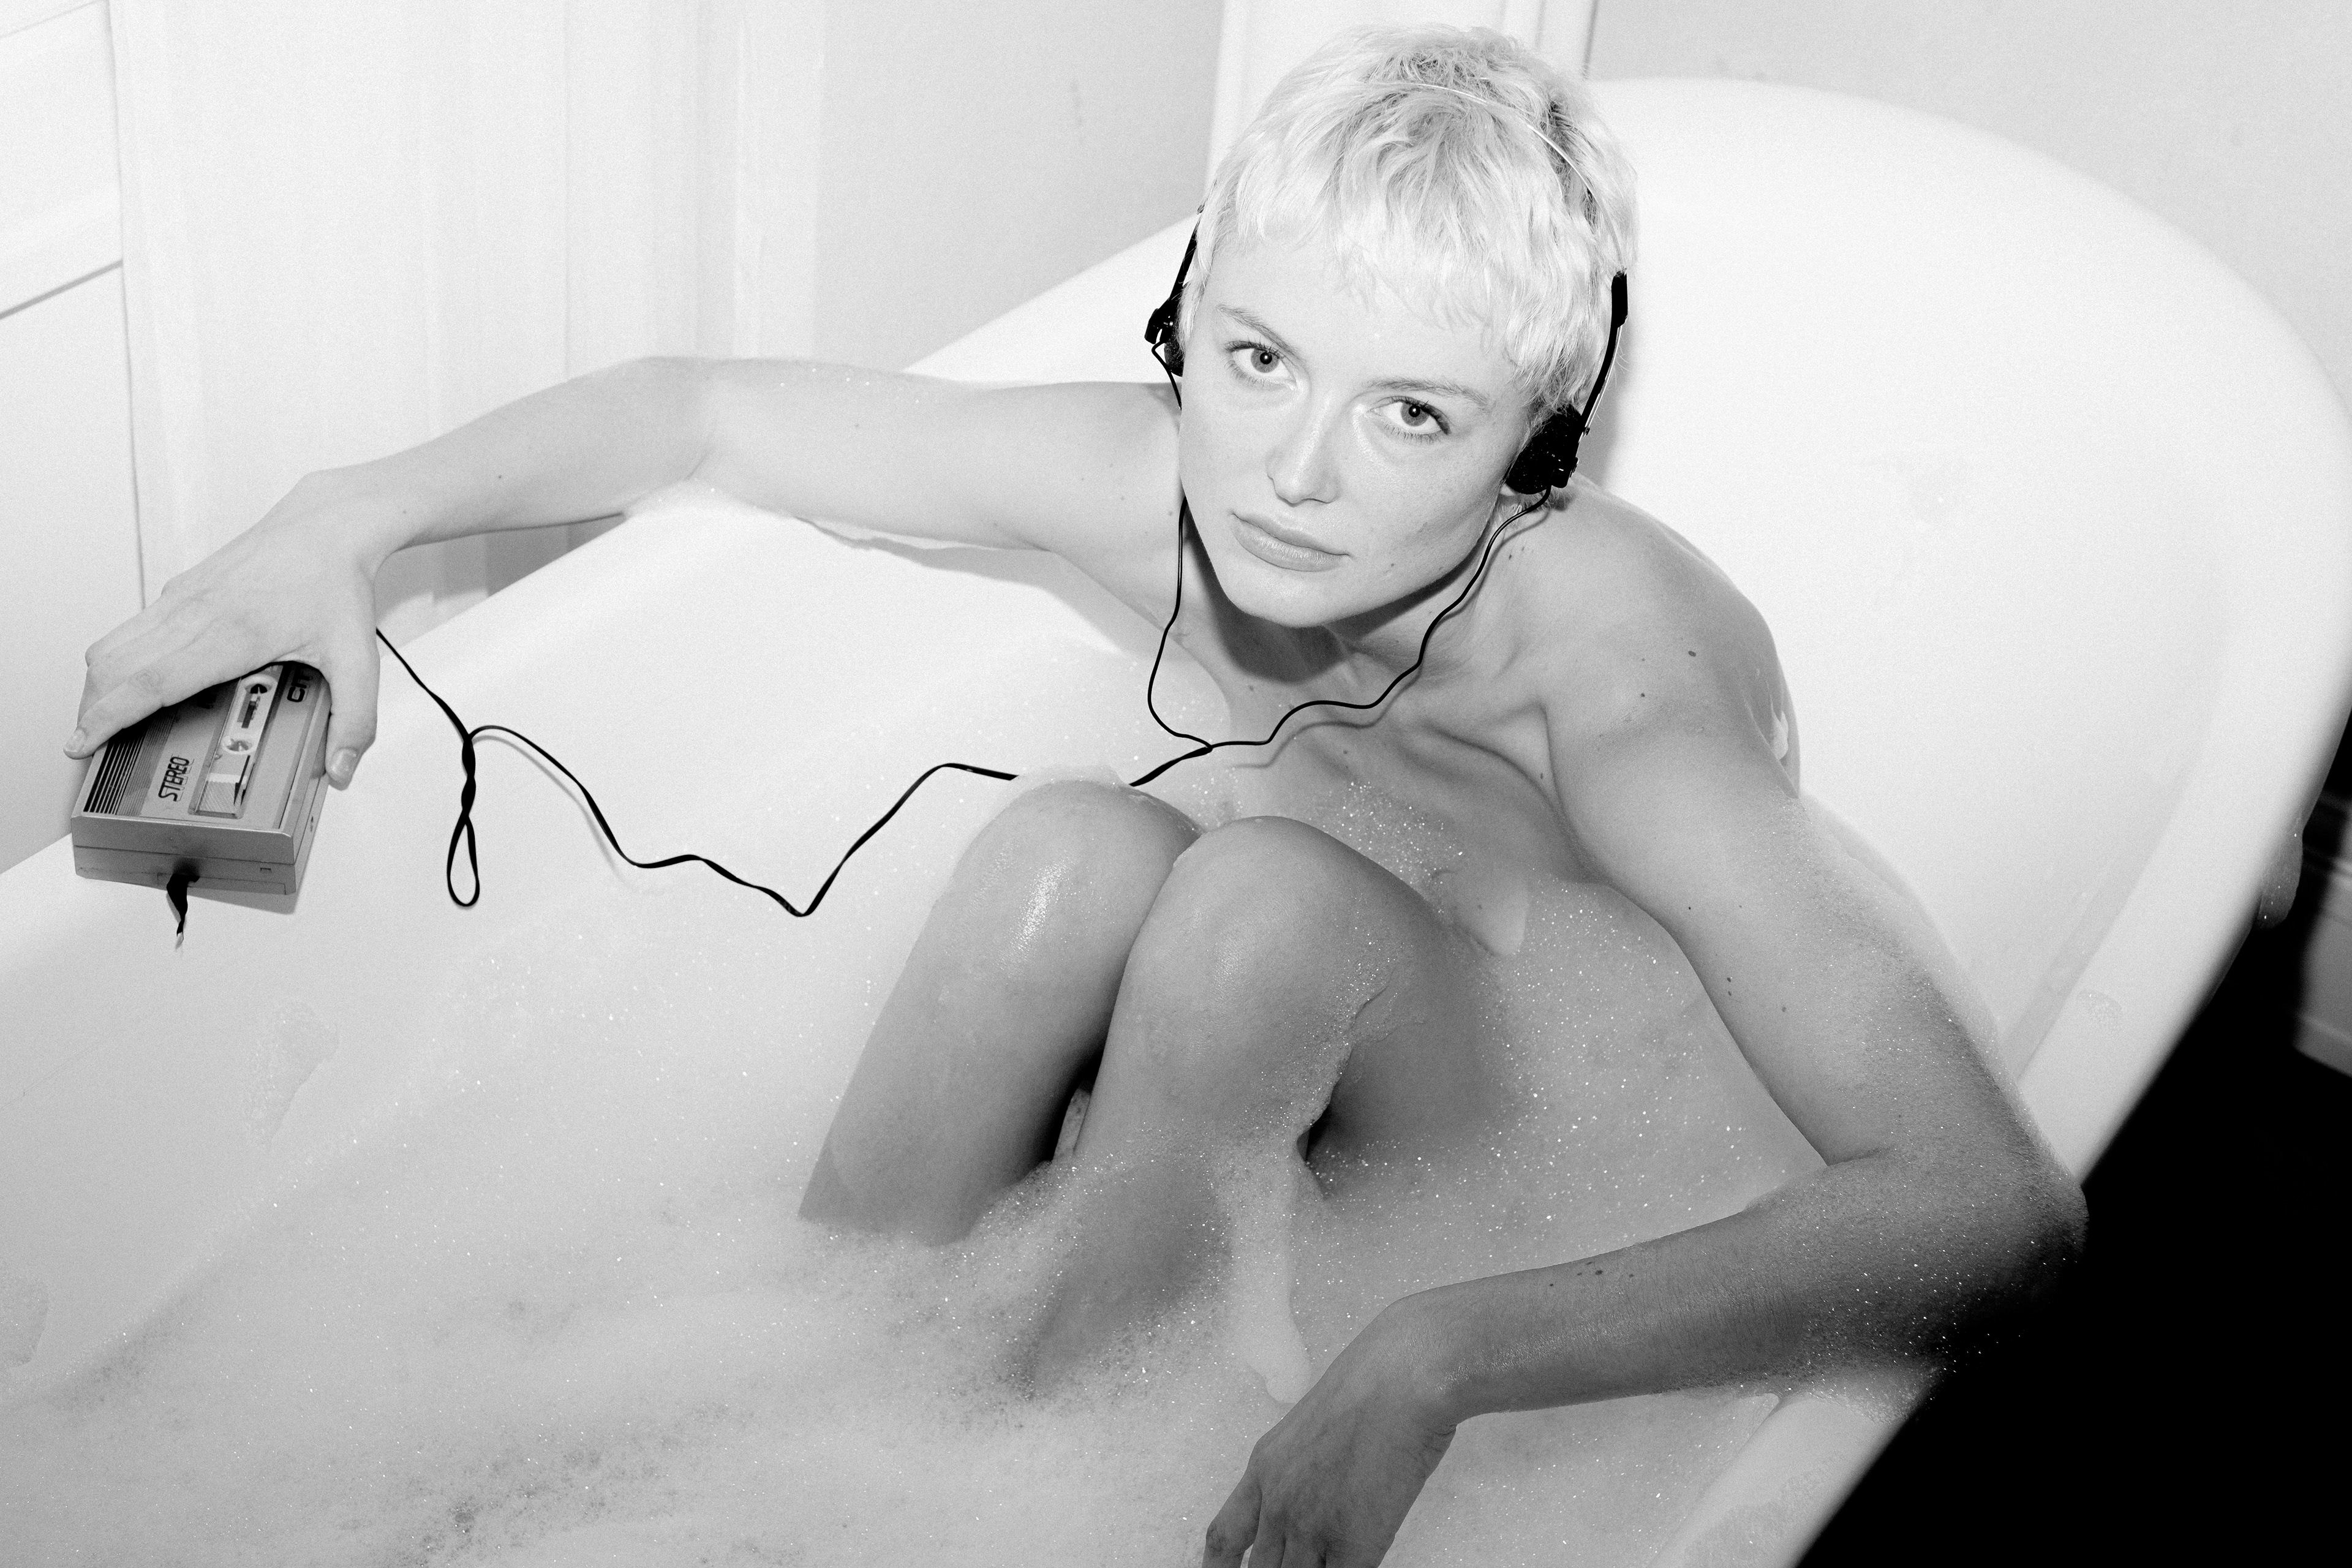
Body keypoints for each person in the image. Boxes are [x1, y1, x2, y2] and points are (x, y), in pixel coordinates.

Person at [68, 24, 2084, 1568]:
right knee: (1064, 856)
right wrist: (338, 520)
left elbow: (1995, 1215)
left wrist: (1439, 1354)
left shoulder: (1622, 697)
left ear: (1538, 449)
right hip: (1268, 1040)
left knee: (1255, 909)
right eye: (1259, 359)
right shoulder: (1161, 483)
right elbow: (702, 411)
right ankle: (765, 1403)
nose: (1294, 473)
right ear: (1183, 323)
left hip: (1513, 1128)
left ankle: (1026, 1493)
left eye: (1412, 414)